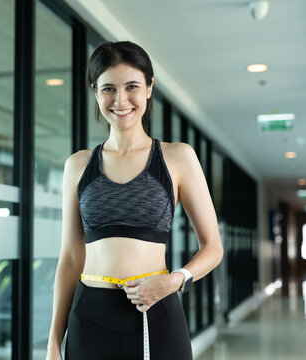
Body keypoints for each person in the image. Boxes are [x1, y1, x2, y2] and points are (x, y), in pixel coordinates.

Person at [46, 41, 223, 360]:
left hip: (156, 312)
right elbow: (71, 259)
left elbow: (213, 247)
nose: (121, 100)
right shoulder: (78, 165)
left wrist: (175, 281)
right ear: (95, 91)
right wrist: (54, 342)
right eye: (108, 89)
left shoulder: (177, 157)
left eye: (132, 87)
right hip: (89, 319)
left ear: (149, 88)